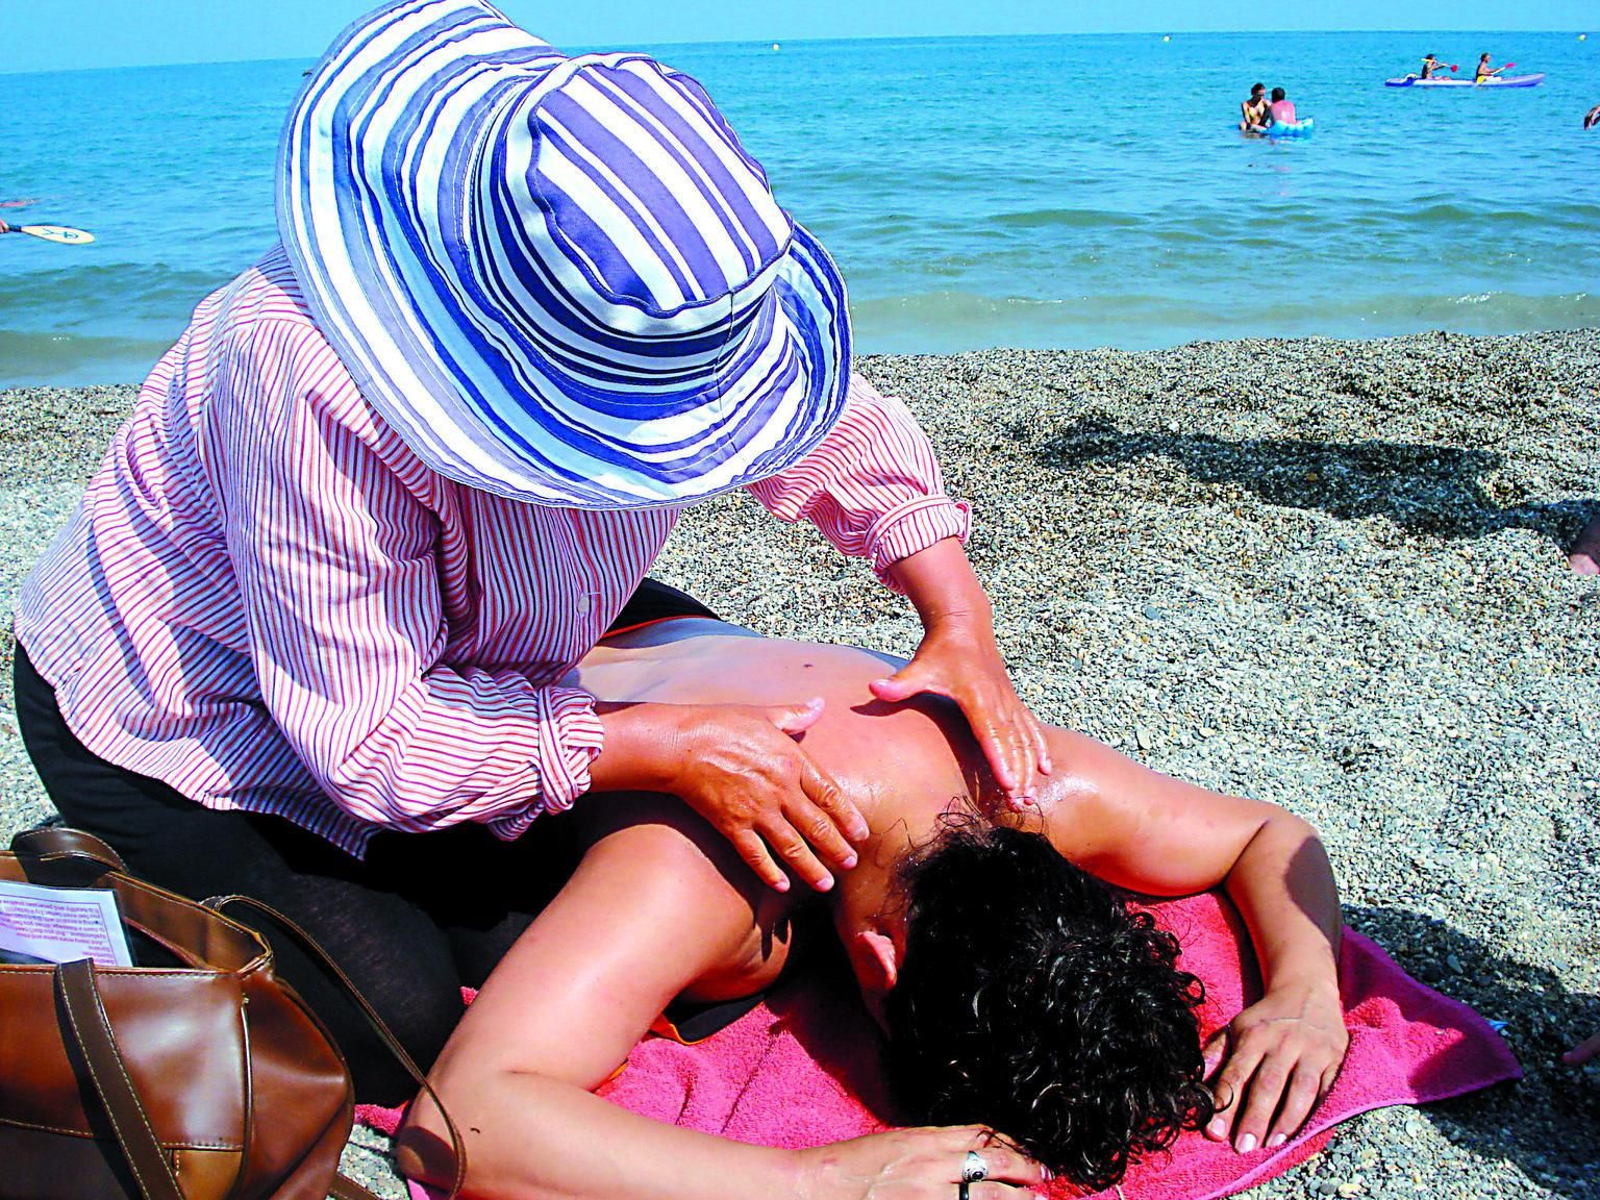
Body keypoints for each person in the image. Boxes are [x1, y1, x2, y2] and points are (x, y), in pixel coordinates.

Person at [10, 0, 1050, 1105]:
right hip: (196, 714)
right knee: (395, 1029)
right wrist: (664, 746)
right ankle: (68, 905)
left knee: (690, 940)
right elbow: (366, 740)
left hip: (483, 645)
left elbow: (833, 430)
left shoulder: (671, 295)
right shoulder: (304, 370)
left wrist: (959, 625)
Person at [396, 616, 1349, 1197]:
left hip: (656, 637)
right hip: (472, 696)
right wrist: (810, 1181)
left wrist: (1307, 988)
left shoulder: (1020, 785)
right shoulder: (708, 873)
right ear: (882, 968)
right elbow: (458, 1122)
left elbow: (1267, 833)